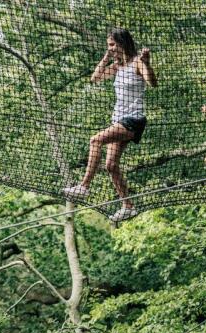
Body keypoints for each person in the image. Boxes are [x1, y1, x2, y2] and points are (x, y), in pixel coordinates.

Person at [63, 28, 157, 222]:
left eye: (112, 44)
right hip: (118, 119)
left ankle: (84, 186)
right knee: (111, 165)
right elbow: (95, 78)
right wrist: (106, 57)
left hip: (133, 120)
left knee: (95, 140)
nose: (110, 48)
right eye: (109, 45)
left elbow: (152, 82)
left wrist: (146, 63)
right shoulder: (116, 66)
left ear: (122, 43)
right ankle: (128, 206)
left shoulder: (137, 63)